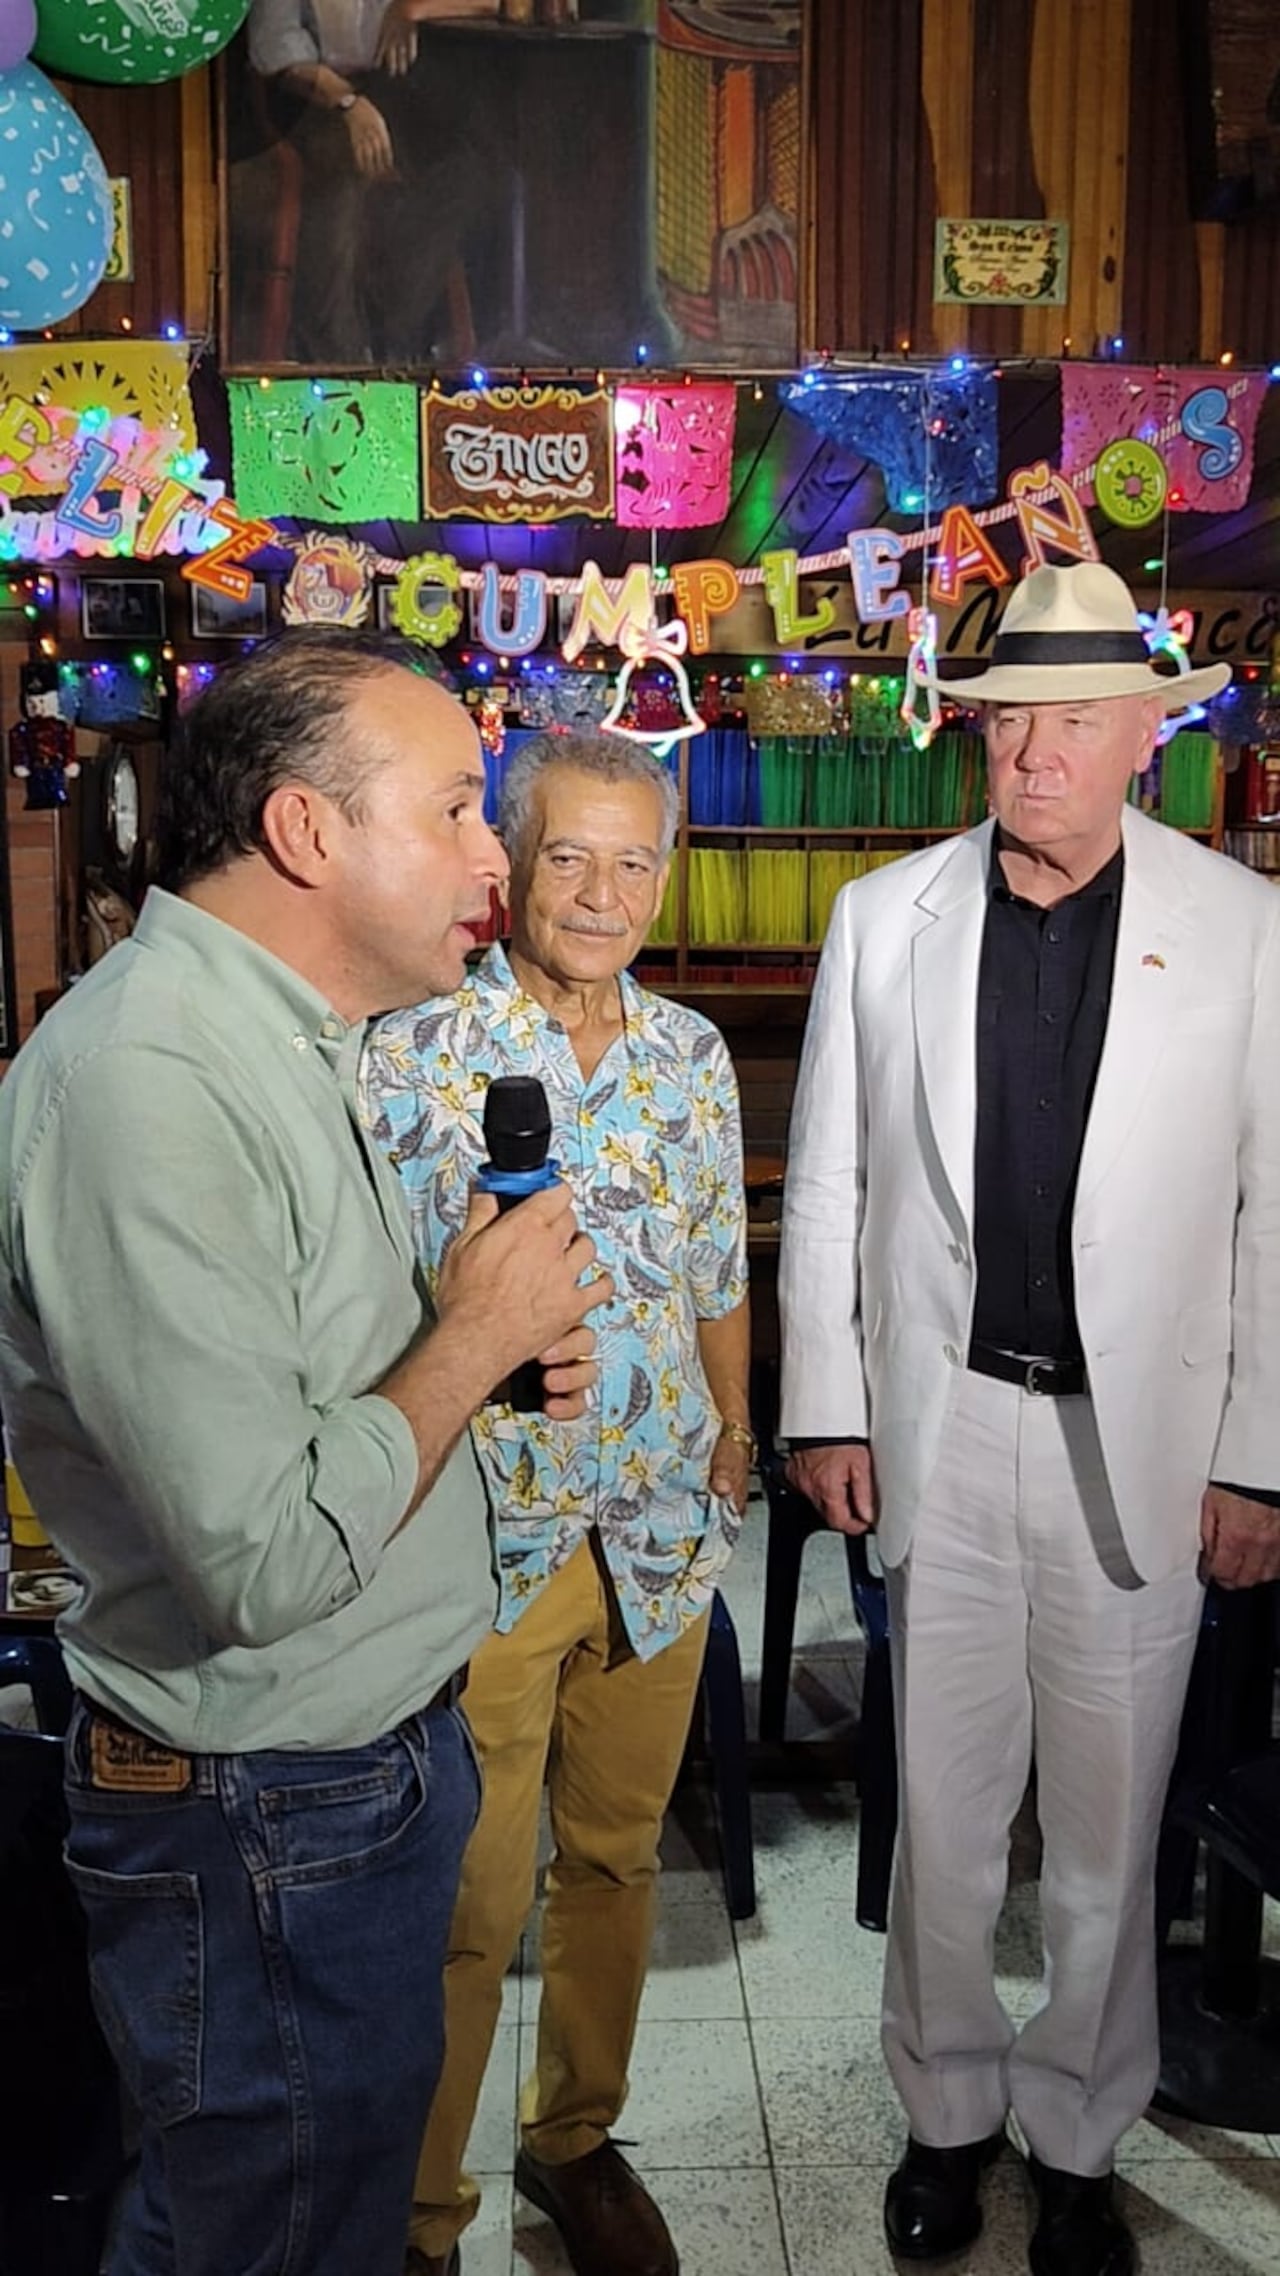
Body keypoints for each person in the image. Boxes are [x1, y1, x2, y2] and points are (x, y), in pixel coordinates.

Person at [0, 629, 612, 2276]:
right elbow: (261, 1555)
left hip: (332, 1780)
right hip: (262, 1809)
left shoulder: (279, 1037)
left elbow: (291, 1380)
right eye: (459, 808)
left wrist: (464, 1354)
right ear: (305, 834)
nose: (500, 856)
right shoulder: (149, 1084)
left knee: (252, 2211)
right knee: (284, 2235)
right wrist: (472, 1332)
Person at [779, 562, 1280, 2276]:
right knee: (943, 1801)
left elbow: (1272, 1208)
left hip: (1141, 1446)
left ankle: (1079, 2130)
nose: (1033, 757)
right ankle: (947, 2113)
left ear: (1147, 735)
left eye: (1072, 723)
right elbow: (836, 1176)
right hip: (945, 1429)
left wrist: (1257, 1451)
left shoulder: (1244, 926)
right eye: (1008, 725)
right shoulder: (883, 918)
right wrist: (826, 1404)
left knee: (1109, 1817)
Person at [361, 729, 750, 2276]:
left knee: (618, 1861)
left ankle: (575, 2140)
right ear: (511, 864)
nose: (601, 893)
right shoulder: (415, 1050)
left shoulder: (690, 1058)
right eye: (568, 857)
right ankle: (420, 2213)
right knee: (464, 1897)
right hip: (485, 1543)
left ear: (666, 874)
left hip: (658, 1536)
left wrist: (735, 1427)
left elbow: (719, 1264)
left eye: (633, 860)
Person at [245, 0, 502, 364]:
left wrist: (411, 8)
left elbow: (496, 4)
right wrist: (349, 104)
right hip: (314, 99)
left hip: (401, 89)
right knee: (343, 171)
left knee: (464, 173)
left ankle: (394, 335)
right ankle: (339, 354)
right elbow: (276, 47)